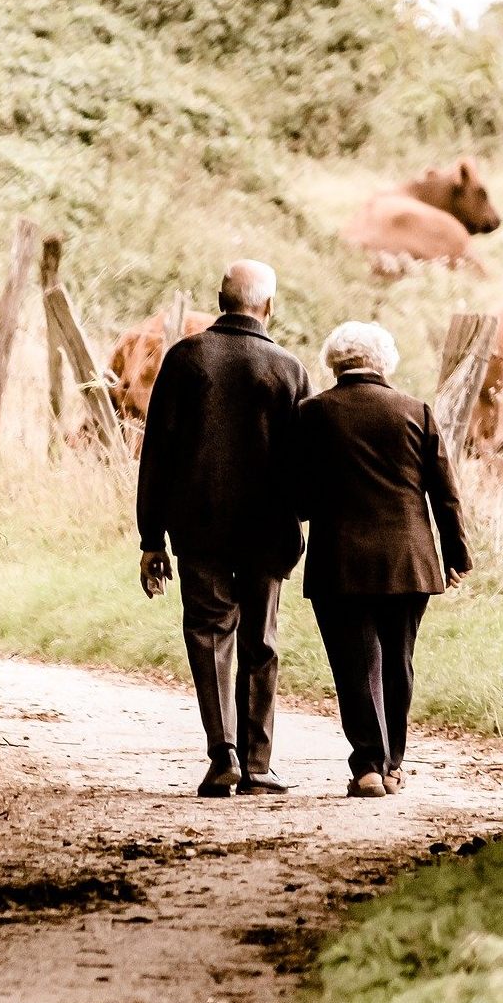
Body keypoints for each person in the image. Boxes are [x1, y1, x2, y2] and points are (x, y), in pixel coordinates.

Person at [136, 260, 312, 797]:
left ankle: (224, 756)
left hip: (199, 527)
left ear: (219, 299)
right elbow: (303, 462)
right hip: (268, 529)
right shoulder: (288, 369)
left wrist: (151, 539)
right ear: (270, 307)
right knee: (261, 640)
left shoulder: (186, 359)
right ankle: (259, 765)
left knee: (210, 636)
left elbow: (156, 454)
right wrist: (300, 519)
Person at [295, 321, 472, 798]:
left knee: (356, 664)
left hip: (339, 561)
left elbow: (299, 496)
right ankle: (393, 764)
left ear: (333, 361)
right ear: (385, 361)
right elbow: (445, 493)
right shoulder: (416, 411)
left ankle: (368, 766)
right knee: (399, 660)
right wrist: (455, 554)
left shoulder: (312, 414)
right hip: (410, 560)